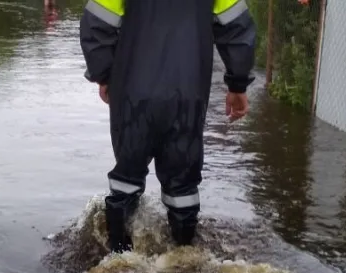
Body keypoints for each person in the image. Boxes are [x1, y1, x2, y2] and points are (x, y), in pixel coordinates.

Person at [79, 0, 256, 252]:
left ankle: (117, 261)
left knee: (126, 177)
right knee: (182, 185)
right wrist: (237, 85)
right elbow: (238, 29)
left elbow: (95, 25)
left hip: (132, 94)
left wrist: (104, 75)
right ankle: (184, 261)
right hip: (188, 96)